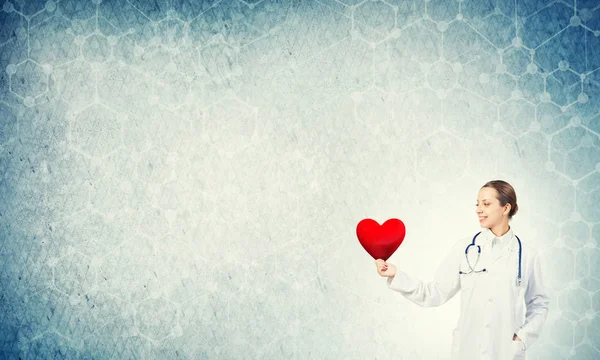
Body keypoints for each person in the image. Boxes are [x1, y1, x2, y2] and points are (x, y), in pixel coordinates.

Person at [375, 180, 550, 360]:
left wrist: (522, 338)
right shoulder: (464, 248)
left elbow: (539, 304)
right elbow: (434, 293)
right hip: (468, 350)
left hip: (506, 352)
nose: (478, 209)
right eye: (477, 204)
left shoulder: (527, 256)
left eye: (486, 204)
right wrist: (396, 275)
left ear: (505, 208)